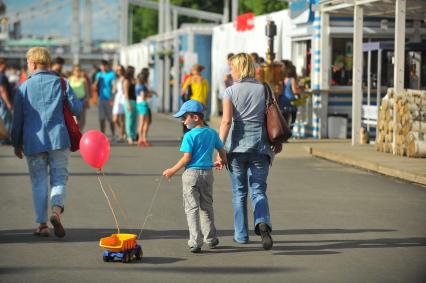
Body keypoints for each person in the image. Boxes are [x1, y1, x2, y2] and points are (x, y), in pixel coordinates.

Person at [11, 47, 82, 238]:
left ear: (33, 64)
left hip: (33, 142)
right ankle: (56, 211)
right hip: (59, 139)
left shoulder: (23, 87)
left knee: (38, 181)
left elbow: (17, 120)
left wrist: (16, 143)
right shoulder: (61, 82)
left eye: (28, 63)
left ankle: (42, 225)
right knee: (59, 178)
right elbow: (77, 107)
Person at [216, 53, 282, 250]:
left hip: (236, 148)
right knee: (258, 190)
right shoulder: (264, 89)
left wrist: (219, 150)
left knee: (239, 192)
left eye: (232, 68)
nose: (230, 71)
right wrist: (278, 141)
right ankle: (262, 222)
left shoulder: (230, 92)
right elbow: (272, 116)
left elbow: (227, 122)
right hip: (260, 147)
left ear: (238, 68)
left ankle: (241, 234)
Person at [163, 100, 227, 253]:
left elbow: (187, 158)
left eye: (185, 117)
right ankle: (210, 238)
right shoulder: (212, 133)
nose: (183, 121)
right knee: (207, 206)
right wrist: (222, 160)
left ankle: (195, 241)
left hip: (191, 174)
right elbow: (221, 149)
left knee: (191, 208)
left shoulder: (189, 136)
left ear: (196, 118)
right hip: (207, 174)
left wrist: (172, 170)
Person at [93, 60, 116, 138]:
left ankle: (113, 135)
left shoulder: (112, 74)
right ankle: (102, 135)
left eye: (104, 65)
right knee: (101, 118)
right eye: (101, 66)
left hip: (109, 99)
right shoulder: (98, 75)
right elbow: (94, 87)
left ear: (107, 66)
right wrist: (97, 81)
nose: (103, 67)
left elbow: (114, 86)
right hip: (101, 99)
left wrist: (112, 97)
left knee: (111, 119)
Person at [68, 64, 90, 131]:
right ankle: (75, 131)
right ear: (73, 71)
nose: (78, 72)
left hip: (82, 100)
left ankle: (79, 131)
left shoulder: (83, 80)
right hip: (73, 101)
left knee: (82, 119)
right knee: (74, 118)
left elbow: (86, 91)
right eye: (76, 70)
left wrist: (87, 100)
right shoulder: (69, 79)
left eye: (79, 70)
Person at [280, 61, 300, 130]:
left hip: (283, 99)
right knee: (293, 116)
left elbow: (281, 90)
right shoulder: (292, 79)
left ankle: (284, 132)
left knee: (285, 117)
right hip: (291, 100)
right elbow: (294, 91)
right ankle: (290, 130)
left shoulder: (283, 79)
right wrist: (299, 91)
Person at [136, 68, 152, 147]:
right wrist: (149, 94)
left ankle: (140, 139)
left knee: (141, 122)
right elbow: (143, 96)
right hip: (143, 104)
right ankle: (143, 139)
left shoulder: (138, 85)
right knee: (145, 122)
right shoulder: (143, 86)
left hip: (139, 104)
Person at [123, 66, 137, 144]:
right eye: (133, 71)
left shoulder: (133, 80)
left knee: (134, 119)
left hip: (134, 101)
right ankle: (129, 137)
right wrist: (128, 104)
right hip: (129, 101)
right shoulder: (126, 81)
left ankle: (134, 135)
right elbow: (126, 94)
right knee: (129, 119)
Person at [0, 58, 13, 144]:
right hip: (3, 102)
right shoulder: (1, 75)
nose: (6, 66)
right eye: (5, 64)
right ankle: (4, 139)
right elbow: (2, 90)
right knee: (6, 120)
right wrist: (8, 103)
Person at [112, 65, 126, 142]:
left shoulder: (124, 79)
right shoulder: (116, 79)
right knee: (115, 119)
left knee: (121, 119)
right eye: (117, 70)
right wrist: (113, 87)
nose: (118, 71)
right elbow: (114, 90)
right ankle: (123, 132)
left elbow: (125, 90)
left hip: (123, 99)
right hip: (117, 99)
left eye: (120, 70)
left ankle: (121, 136)